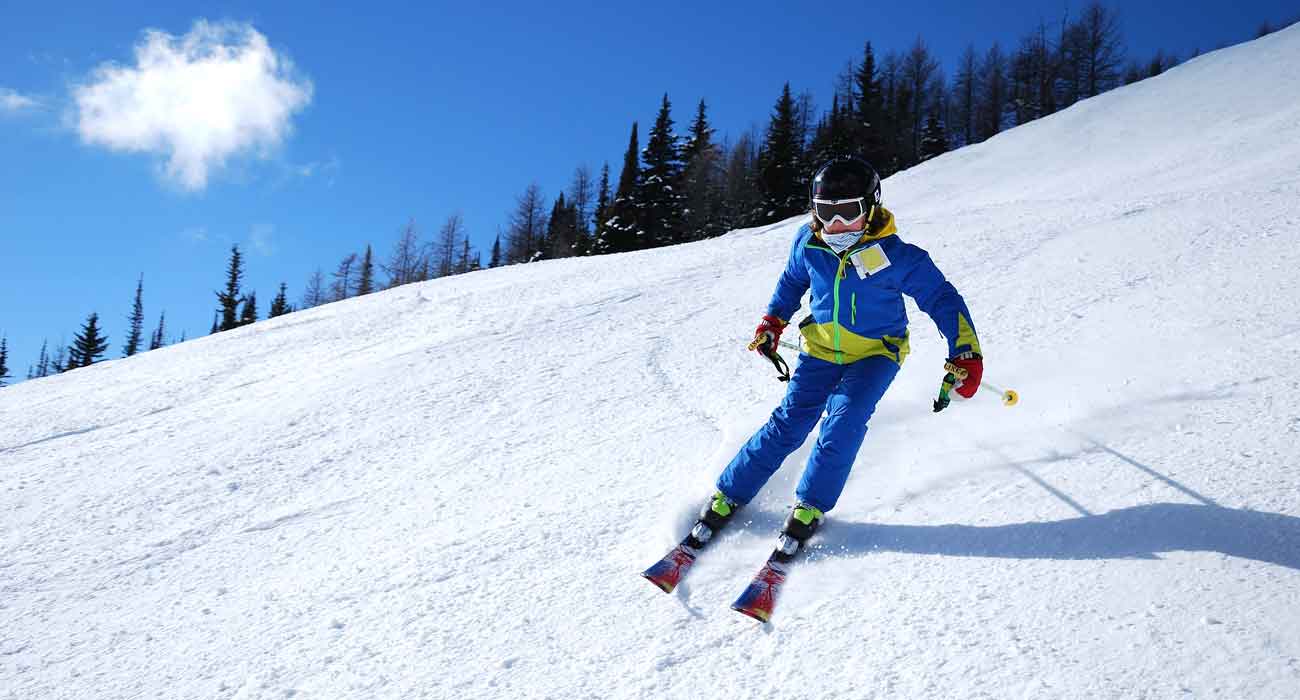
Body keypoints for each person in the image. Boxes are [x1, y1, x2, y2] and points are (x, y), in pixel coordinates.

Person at [689, 155, 984, 563]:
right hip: (820, 349)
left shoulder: (898, 255)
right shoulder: (808, 243)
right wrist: (773, 321)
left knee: (843, 423)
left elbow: (941, 298)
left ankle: (810, 505)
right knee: (789, 423)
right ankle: (729, 494)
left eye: (849, 212)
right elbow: (792, 281)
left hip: (877, 353)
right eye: (827, 213)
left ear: (871, 207)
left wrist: (964, 353)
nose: (838, 225)